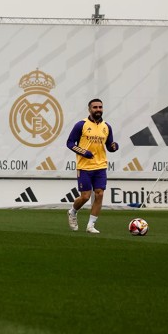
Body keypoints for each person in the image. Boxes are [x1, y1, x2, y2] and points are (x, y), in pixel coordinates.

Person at [66, 98, 119, 233]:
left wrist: (114, 147)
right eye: (95, 107)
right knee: (85, 196)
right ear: (89, 109)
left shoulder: (106, 126)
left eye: (100, 107)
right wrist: (83, 152)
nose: (98, 109)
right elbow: (70, 143)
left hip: (100, 166)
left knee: (99, 194)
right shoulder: (81, 125)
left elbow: (109, 145)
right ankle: (72, 212)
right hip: (84, 166)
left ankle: (90, 225)